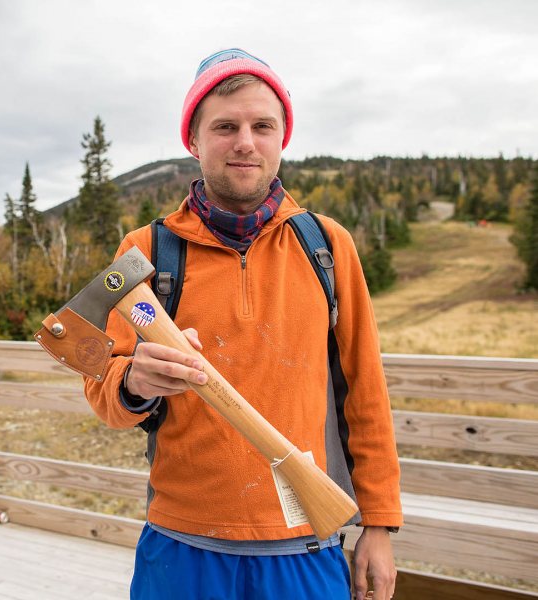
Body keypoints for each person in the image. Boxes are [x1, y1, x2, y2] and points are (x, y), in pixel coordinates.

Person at [83, 48, 403, 600]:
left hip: (307, 542)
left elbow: (365, 394)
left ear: (283, 137)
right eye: (225, 126)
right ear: (194, 140)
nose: (245, 142)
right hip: (181, 543)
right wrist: (135, 380)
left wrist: (379, 523)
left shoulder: (326, 246)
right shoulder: (145, 251)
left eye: (263, 126)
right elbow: (103, 388)